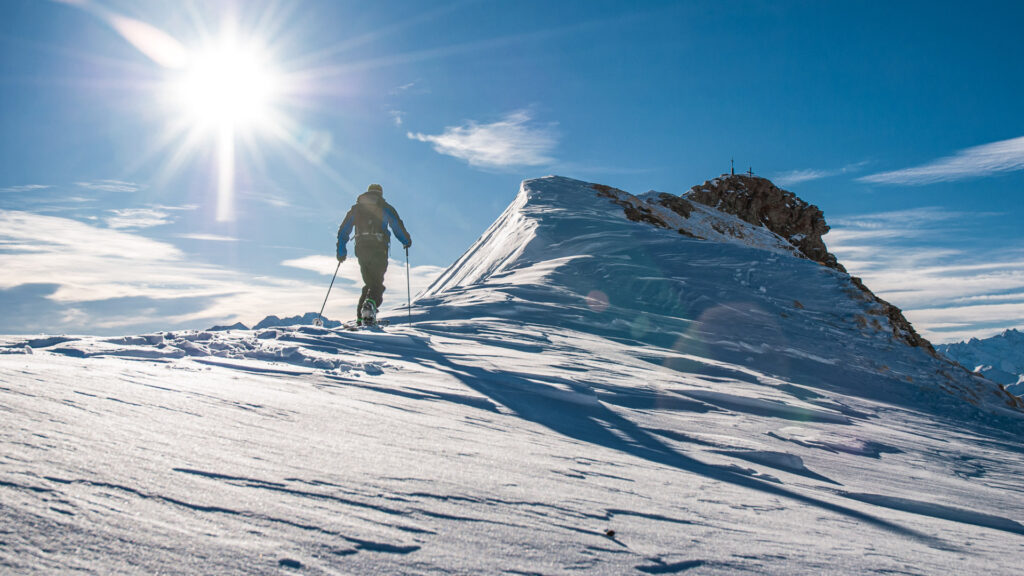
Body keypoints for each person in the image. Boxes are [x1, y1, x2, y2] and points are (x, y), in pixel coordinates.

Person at [336, 183, 412, 325]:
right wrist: (406, 241)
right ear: (380, 194)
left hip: (361, 248)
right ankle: (369, 310)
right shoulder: (384, 207)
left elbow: (343, 230)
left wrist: (341, 251)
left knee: (369, 283)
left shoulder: (356, 209)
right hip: (378, 248)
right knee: (377, 284)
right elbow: (396, 224)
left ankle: (361, 318)